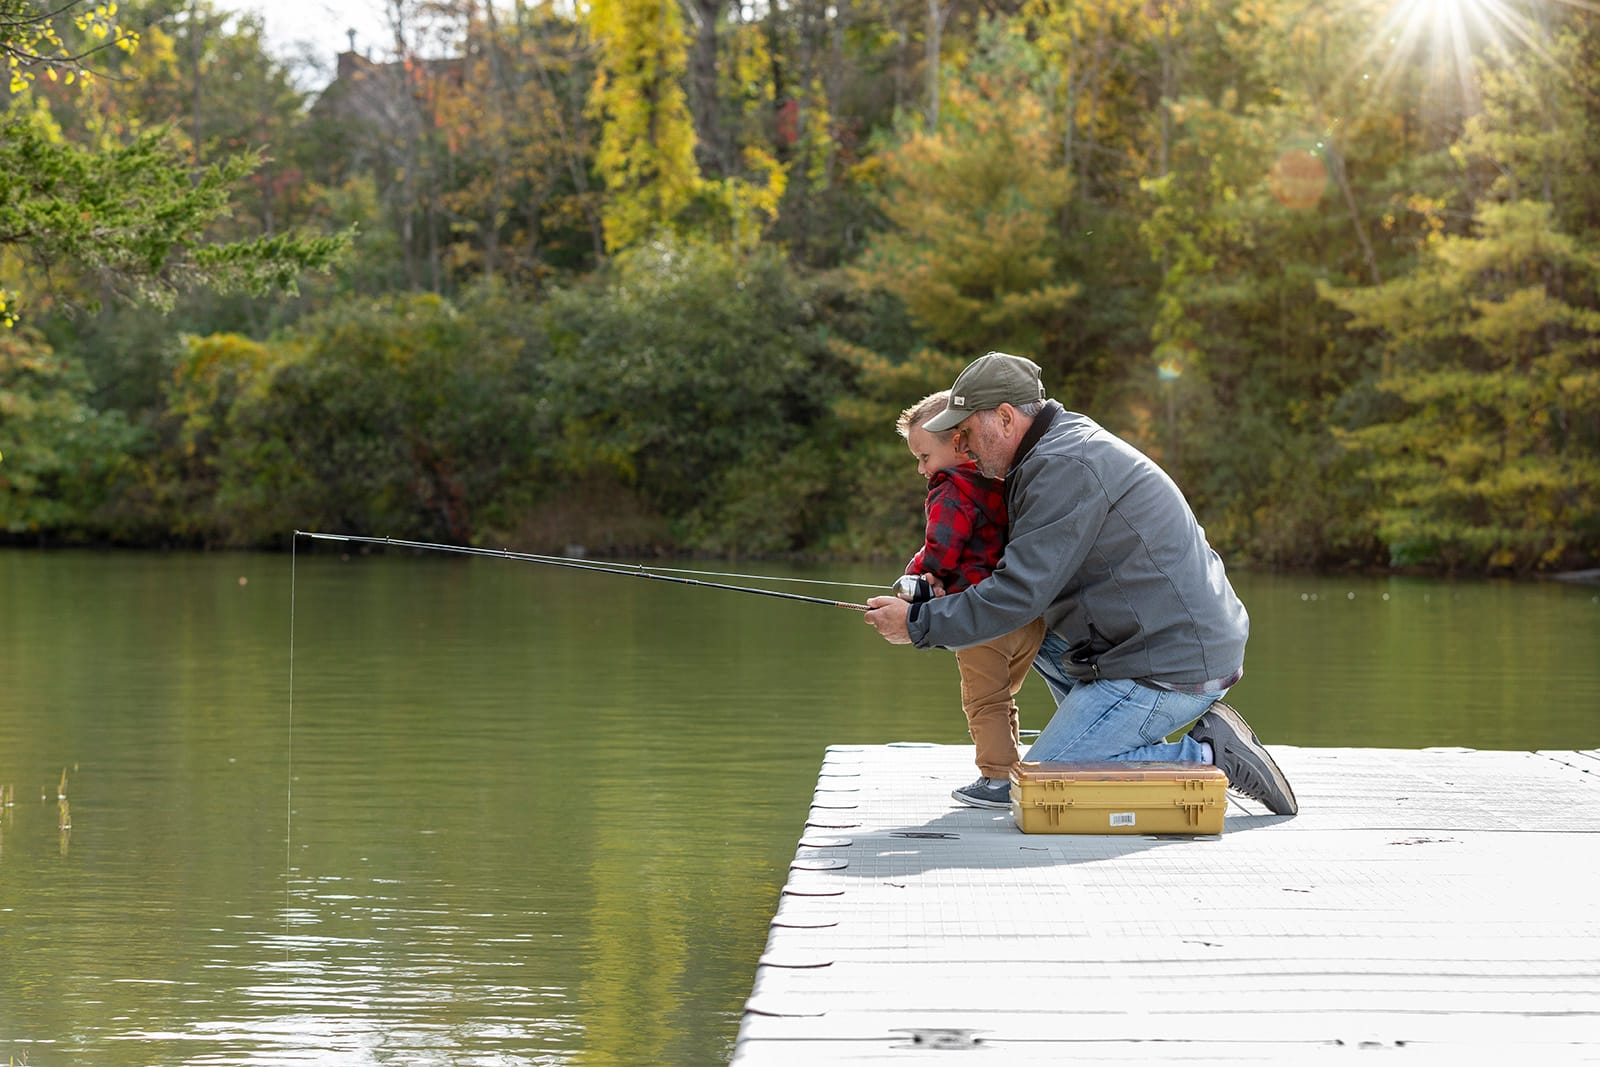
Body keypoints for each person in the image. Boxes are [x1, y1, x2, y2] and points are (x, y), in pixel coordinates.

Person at [866, 352, 1298, 816]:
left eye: (966, 432)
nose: (963, 447)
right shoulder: (1046, 453)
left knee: (1047, 783)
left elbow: (1016, 593)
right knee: (1019, 630)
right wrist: (937, 592)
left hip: (1172, 663)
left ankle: (1212, 753)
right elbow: (1010, 581)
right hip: (1133, 644)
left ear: (1006, 418)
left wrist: (918, 624)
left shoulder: (1065, 465)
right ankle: (1111, 737)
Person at [896, 390, 1048, 808]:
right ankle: (1009, 767)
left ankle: (997, 779)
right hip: (1027, 617)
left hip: (981, 618)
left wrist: (915, 578)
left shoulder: (949, 489)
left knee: (984, 701)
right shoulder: (1000, 481)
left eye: (925, 456)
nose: (922, 469)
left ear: (958, 442)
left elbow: (941, 547)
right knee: (1001, 698)